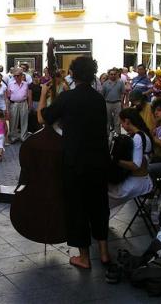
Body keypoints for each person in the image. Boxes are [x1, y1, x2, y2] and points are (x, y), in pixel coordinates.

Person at [37, 56, 111, 269]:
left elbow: (43, 118)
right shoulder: (98, 98)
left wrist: (43, 94)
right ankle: (104, 253)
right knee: (99, 206)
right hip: (99, 160)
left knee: (77, 208)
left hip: (75, 162)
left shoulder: (67, 98)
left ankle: (84, 258)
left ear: (73, 74)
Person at [109, 108, 153, 216]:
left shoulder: (138, 137)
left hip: (138, 181)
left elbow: (136, 165)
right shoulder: (143, 134)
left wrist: (114, 160)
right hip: (142, 179)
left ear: (127, 121)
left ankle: (99, 218)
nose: (122, 126)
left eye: (122, 122)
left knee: (104, 190)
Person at [7, 67, 30, 143]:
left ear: (21, 76)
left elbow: (28, 95)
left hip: (23, 103)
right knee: (13, 121)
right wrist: (7, 108)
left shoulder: (26, 84)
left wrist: (29, 105)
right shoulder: (10, 84)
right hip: (14, 104)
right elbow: (8, 97)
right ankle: (13, 137)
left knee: (24, 120)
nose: (16, 77)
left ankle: (23, 136)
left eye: (18, 75)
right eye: (15, 76)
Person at [101, 68, 125, 135]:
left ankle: (117, 135)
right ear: (109, 75)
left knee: (117, 121)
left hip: (117, 103)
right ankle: (107, 135)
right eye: (111, 74)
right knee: (107, 120)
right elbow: (102, 95)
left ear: (117, 74)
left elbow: (123, 93)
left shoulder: (120, 82)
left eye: (114, 74)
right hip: (107, 103)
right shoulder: (105, 84)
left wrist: (122, 103)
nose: (113, 75)